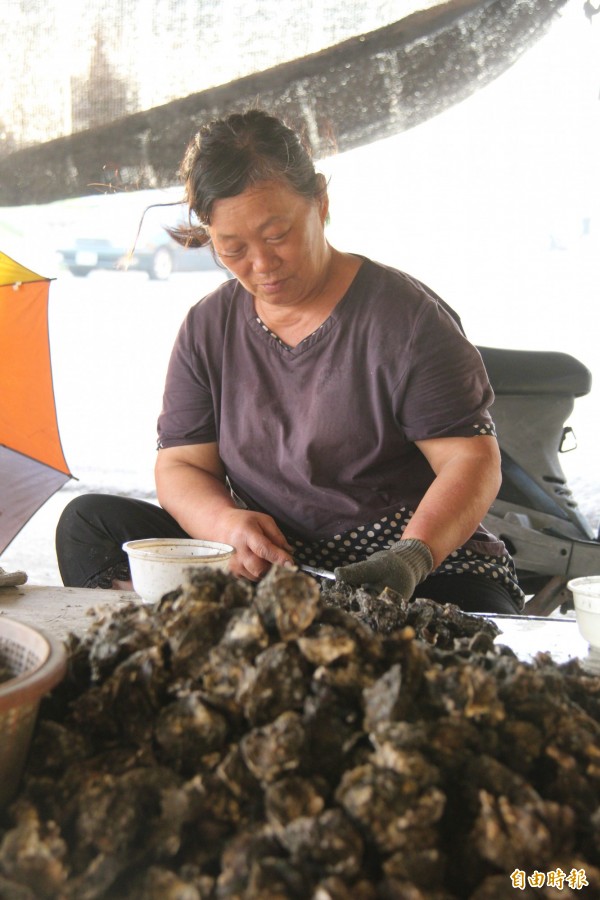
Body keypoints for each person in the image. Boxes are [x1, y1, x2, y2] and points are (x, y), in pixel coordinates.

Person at [56, 108, 524, 614]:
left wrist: (409, 558)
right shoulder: (207, 328)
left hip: (412, 565)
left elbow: (470, 460)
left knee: (454, 638)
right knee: (89, 528)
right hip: (273, 566)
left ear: (321, 202)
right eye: (232, 248)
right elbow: (181, 464)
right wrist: (226, 526)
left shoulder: (406, 320)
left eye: (277, 235)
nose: (261, 265)